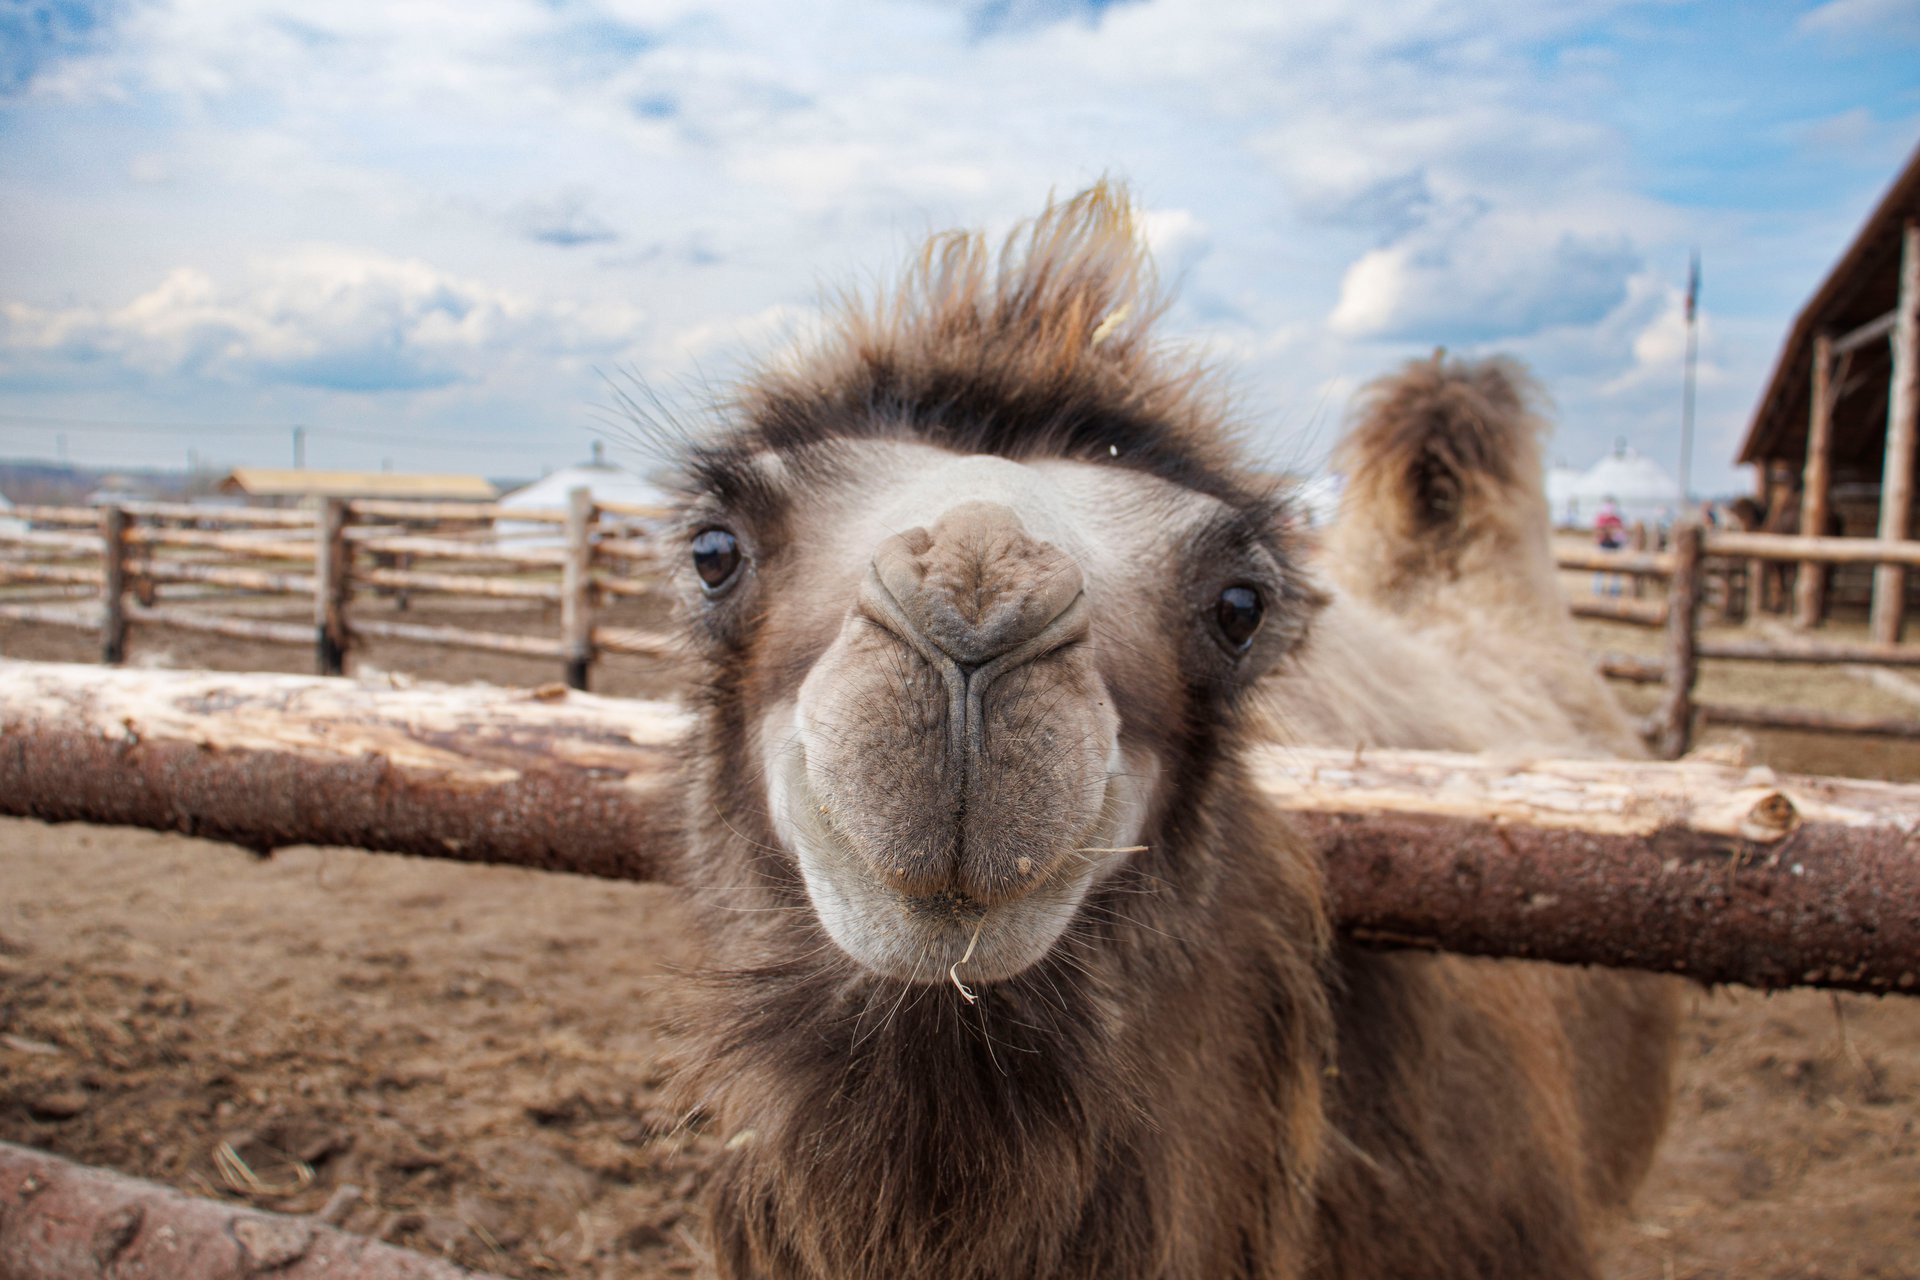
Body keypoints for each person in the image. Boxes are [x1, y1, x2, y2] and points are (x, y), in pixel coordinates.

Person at [1593, 497, 1625, 596]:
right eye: (1607, 505)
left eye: (1611, 505)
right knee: (1599, 568)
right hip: (1604, 545)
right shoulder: (1601, 518)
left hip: (1614, 546)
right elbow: (1598, 533)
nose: (1609, 508)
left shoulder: (1617, 519)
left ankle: (1614, 591)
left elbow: (1620, 534)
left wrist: (1613, 533)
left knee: (1615, 569)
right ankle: (1597, 590)